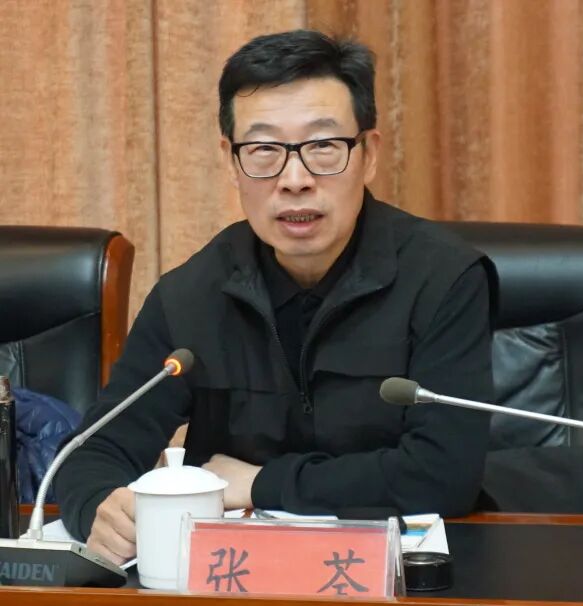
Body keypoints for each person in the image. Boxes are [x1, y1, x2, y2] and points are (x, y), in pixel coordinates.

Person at [55, 29, 494, 566]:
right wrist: (100, 508)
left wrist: (261, 483)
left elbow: (443, 475)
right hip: (235, 581)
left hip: (400, 579)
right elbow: (92, 452)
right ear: (231, 160)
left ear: (369, 154)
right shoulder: (191, 295)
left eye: (323, 147)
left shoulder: (443, 278)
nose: (295, 179)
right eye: (264, 150)